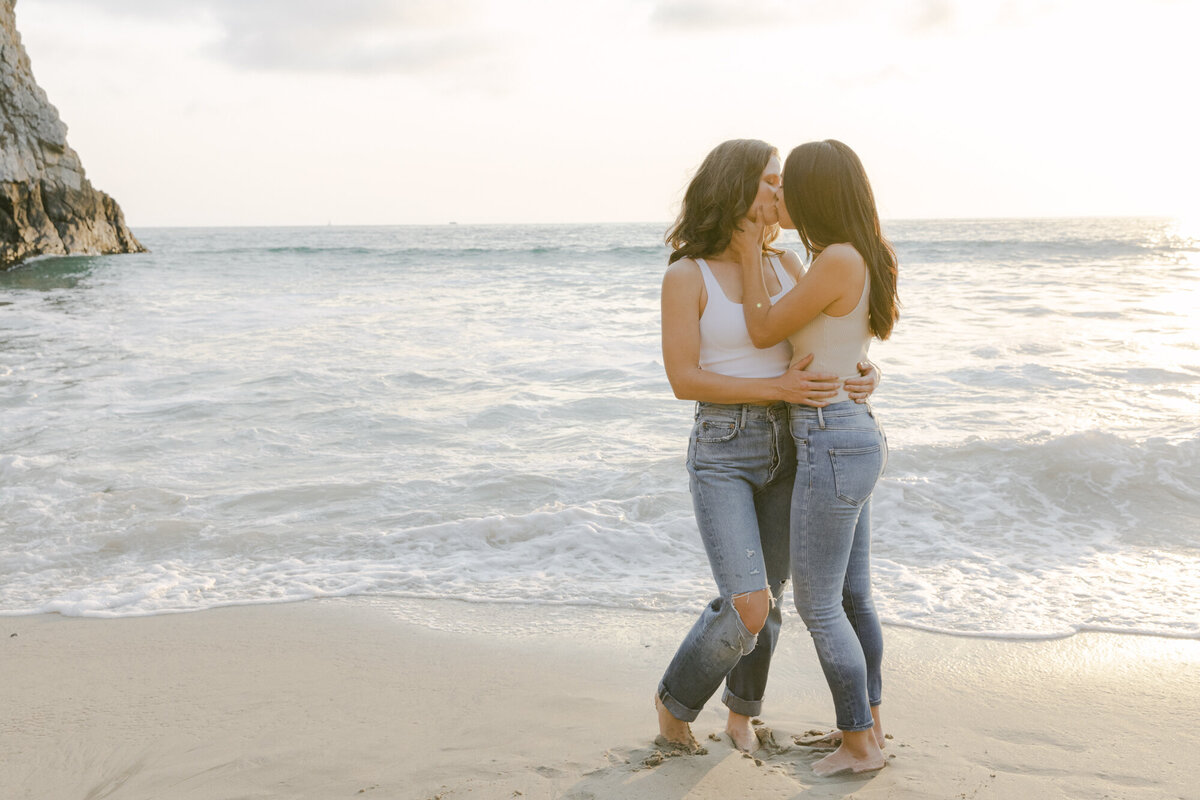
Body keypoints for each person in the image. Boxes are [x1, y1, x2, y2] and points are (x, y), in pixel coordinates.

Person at [655, 139, 879, 754]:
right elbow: (683, 379)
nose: (782, 194)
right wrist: (775, 384)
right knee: (748, 603)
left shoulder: (784, 265)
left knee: (772, 601)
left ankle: (740, 718)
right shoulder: (687, 275)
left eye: (782, 182)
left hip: (792, 442)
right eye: (770, 182)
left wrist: (862, 371)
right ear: (736, 188)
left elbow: (819, 335)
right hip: (723, 449)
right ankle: (673, 705)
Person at [735, 139, 899, 776]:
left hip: (831, 438)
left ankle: (858, 744)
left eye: (789, 187)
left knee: (820, 605)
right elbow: (845, 341)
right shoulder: (860, 255)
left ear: (816, 194)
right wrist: (868, 371)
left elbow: (761, 329)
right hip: (852, 433)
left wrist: (750, 254)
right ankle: (868, 727)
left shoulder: (834, 259)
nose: (781, 197)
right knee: (854, 599)